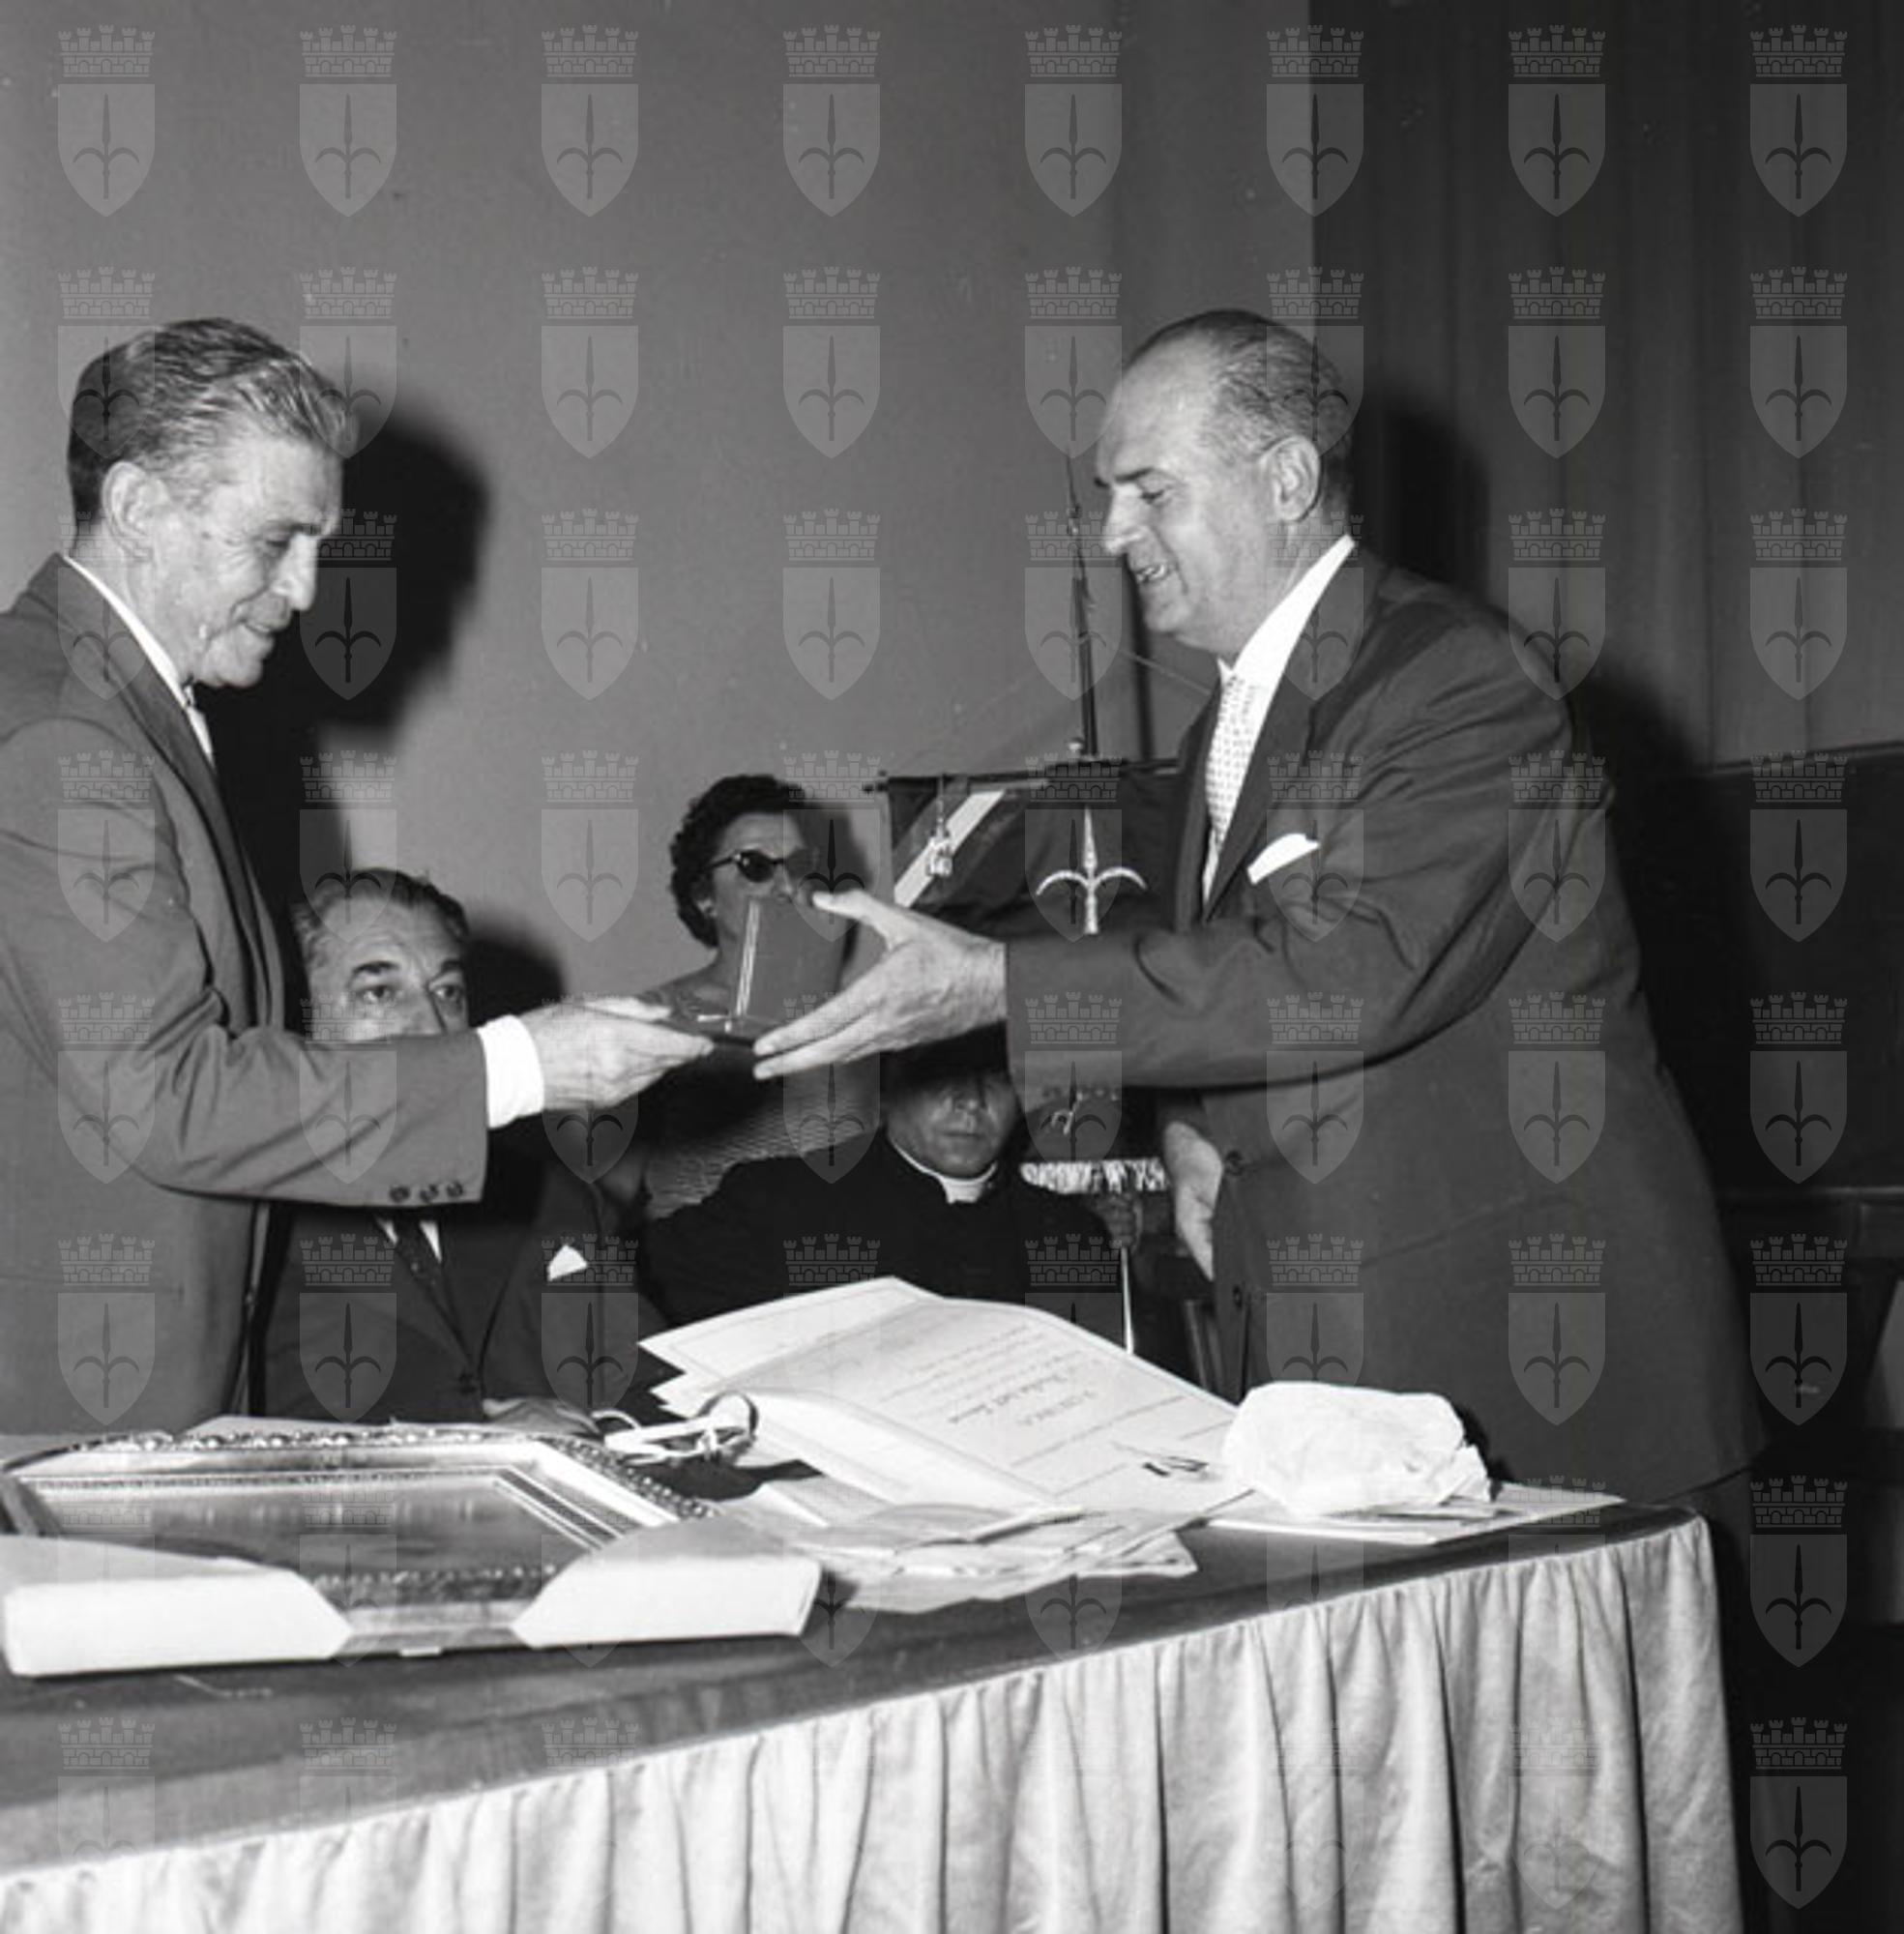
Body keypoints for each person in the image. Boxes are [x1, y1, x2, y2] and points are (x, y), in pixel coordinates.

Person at [757, 309, 1761, 1507]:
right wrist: (1193, 1125)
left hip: (1518, 1358)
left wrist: (997, 983)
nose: (1112, 531)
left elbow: (1343, 971)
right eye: (1108, 495)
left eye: (1149, 491)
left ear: (1286, 480)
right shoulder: (1227, 723)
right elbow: (1229, 962)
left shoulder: (1455, 677)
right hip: (1348, 1364)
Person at [0, 319, 708, 1434]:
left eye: (318, 542)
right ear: (135, 506)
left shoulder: (106, 706)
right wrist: (521, 1062)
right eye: (276, 539)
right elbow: (166, 1094)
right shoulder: (62, 731)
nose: (305, 587)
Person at [256, 868, 642, 1428]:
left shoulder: (549, 1197)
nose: (432, 1029)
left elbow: (649, 1384)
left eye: (448, 992)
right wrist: (472, 1440)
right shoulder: (245, 1227)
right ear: (297, 1022)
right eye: (380, 993)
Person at [643, 1031, 1116, 1330]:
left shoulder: (1068, 1234)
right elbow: (635, 1293)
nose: (971, 1100)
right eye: (943, 1075)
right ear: (889, 1090)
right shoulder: (777, 1202)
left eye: (995, 1079)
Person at [610, 774, 815, 1218]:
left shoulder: (859, 1016)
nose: (786, 887)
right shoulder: (656, 1019)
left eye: (799, 866)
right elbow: (607, 1198)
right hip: (697, 1255)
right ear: (705, 896)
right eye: (756, 866)